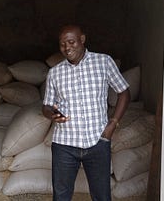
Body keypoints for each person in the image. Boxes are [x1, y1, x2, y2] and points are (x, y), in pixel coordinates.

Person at [42, 25, 131, 201]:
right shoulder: (55, 73)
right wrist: (51, 114)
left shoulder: (103, 62)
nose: (67, 48)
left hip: (98, 141)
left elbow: (124, 92)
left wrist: (112, 124)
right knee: (61, 196)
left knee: (101, 196)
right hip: (64, 144)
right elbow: (46, 106)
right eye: (62, 44)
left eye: (71, 42)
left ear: (82, 39)